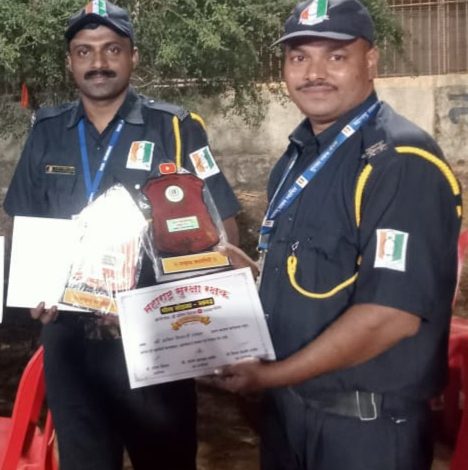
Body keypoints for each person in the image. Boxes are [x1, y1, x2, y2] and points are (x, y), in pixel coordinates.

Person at [213, 0, 462, 469]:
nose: (314, 73)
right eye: (299, 57)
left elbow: (391, 316)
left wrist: (268, 377)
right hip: (290, 415)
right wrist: (235, 273)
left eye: (336, 56)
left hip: (364, 430)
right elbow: (309, 276)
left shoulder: (400, 162)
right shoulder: (297, 157)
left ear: (371, 61)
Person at [4, 1, 240, 469]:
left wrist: (198, 310)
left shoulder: (176, 128)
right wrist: (31, 287)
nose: (98, 62)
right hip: (68, 343)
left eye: (112, 49)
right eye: (84, 51)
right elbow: (21, 223)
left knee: (166, 461)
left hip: (155, 340)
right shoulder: (47, 132)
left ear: (133, 56)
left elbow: (222, 228)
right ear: (70, 62)